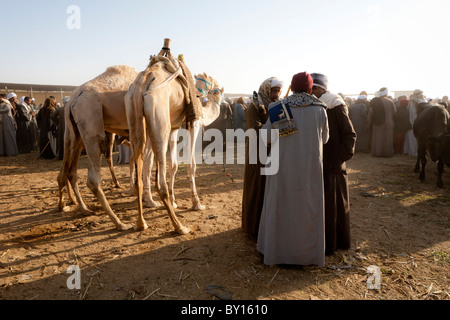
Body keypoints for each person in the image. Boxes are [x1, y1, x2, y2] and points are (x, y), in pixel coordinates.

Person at [257, 72, 329, 267]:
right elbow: (325, 139)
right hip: (309, 169)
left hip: (282, 168)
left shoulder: (280, 107)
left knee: (281, 207)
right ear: (309, 88)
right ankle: (306, 255)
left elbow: (267, 137)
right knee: (306, 209)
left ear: (292, 86)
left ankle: (277, 252)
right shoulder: (321, 109)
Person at [311, 73, 356, 256]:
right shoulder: (315, 105)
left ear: (323, 89)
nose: (312, 91)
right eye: (310, 88)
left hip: (333, 165)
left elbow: (349, 134)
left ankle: (334, 244)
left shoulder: (335, 104)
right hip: (319, 163)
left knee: (334, 205)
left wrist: (339, 160)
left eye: (314, 88)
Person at [242, 77, 283, 242]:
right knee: (257, 186)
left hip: (272, 150)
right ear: (266, 90)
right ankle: (253, 227)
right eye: (274, 91)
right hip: (256, 152)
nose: (276, 94)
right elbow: (256, 128)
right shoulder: (254, 105)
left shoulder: (277, 105)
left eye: (278, 91)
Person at [368, 87, 396, 157]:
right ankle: (387, 153)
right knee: (387, 138)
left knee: (378, 138)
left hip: (377, 123)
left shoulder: (374, 101)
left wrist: (370, 122)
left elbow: (371, 112)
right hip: (389, 122)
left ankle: (377, 153)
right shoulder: (390, 102)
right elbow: (394, 112)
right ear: (386, 93)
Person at [403, 89, 426, 156]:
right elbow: (412, 113)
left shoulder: (420, 100)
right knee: (413, 138)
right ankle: (413, 151)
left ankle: (414, 151)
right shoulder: (414, 101)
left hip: (418, 122)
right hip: (415, 122)